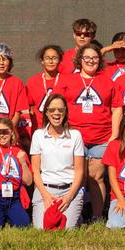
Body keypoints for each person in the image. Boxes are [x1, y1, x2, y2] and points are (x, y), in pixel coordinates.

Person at [58, 42, 123, 220]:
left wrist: (114, 135)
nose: (91, 61)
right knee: (77, 177)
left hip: (101, 138)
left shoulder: (108, 81)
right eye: (87, 57)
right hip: (74, 137)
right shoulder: (67, 79)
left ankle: (97, 216)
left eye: (95, 58)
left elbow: (117, 107)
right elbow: (57, 105)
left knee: (96, 177)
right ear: (80, 60)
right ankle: (74, 216)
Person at [30, 93, 86, 230]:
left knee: (66, 230)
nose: (56, 113)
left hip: (69, 189)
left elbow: (79, 172)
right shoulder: (38, 135)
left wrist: (68, 197)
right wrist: (45, 195)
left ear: (65, 112)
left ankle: (75, 213)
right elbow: (35, 171)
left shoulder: (75, 135)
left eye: (60, 110)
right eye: (52, 110)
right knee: (41, 229)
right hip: (45, 188)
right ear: (46, 113)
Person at [24, 45, 65, 144]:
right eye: (47, 58)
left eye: (54, 58)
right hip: (39, 130)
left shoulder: (66, 80)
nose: (51, 61)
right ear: (42, 61)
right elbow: (30, 108)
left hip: (61, 131)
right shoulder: (32, 81)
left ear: (60, 61)